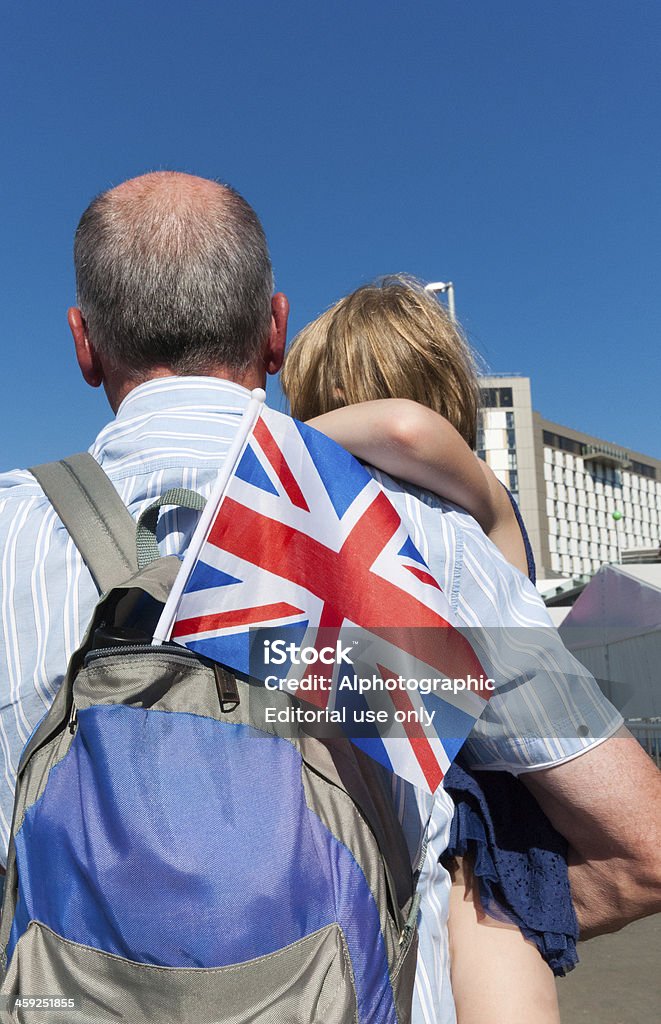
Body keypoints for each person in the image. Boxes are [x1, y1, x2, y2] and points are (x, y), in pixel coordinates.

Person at [0, 174, 658, 1024]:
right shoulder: (408, 540)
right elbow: (642, 850)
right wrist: (445, 919)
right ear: (273, 332)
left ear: (83, 345)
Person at [281, 275, 661, 1020]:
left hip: (468, 814)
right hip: (475, 833)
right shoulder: (469, 525)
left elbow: (403, 433)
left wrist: (269, 442)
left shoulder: (475, 507)